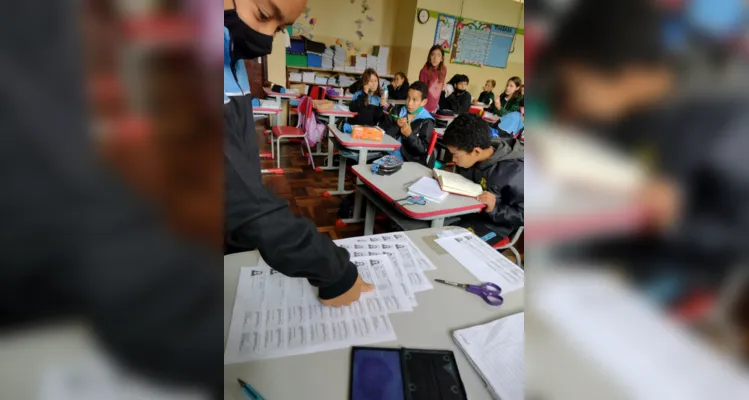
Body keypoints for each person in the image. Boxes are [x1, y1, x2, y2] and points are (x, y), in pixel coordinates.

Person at [544, 0, 749, 299]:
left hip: (674, 269)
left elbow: (738, 240)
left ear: (627, 74)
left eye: (576, 84)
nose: (576, 99)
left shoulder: (726, 117)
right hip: (607, 246)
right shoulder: (636, 106)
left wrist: (676, 221)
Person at [224, 0, 373, 307]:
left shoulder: (230, 49)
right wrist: (333, 268)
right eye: (263, 14)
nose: (266, 41)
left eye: (278, 29)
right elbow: (231, 192)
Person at [442, 114, 524, 245]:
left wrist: (495, 208)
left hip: (493, 224)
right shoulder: (474, 155)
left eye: (455, 156)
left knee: (453, 246)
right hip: (465, 210)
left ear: (476, 152)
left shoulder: (515, 172)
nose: (453, 160)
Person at [381, 81, 436, 166]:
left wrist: (409, 135)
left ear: (423, 102)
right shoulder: (397, 111)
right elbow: (382, 134)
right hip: (385, 154)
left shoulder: (427, 121)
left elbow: (422, 149)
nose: (409, 103)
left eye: (414, 100)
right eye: (408, 98)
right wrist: (396, 126)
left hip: (408, 162)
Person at [419, 45, 447, 113]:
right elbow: (422, 91)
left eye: (438, 55)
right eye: (433, 55)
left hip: (435, 107)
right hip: (424, 107)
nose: (435, 58)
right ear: (429, 57)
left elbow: (440, 87)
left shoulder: (443, 69)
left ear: (442, 59)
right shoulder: (424, 71)